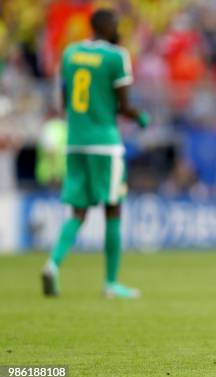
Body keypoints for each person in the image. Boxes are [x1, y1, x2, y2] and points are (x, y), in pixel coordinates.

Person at [41, 9, 149, 298]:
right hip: (105, 143)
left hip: (75, 141)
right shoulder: (116, 56)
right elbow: (124, 105)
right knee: (113, 208)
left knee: (78, 210)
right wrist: (141, 118)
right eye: (116, 24)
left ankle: (52, 264)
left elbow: (63, 99)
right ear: (108, 26)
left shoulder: (70, 53)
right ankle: (111, 283)